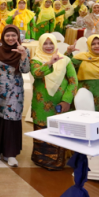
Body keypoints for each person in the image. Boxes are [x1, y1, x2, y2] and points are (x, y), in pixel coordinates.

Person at [30, 34, 77, 170]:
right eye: (45, 43)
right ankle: (40, 159)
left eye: (51, 43)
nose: (49, 46)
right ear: (40, 45)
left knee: (58, 132)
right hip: (41, 104)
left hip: (60, 104)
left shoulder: (66, 60)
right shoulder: (35, 60)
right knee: (41, 131)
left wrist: (66, 100)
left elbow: (73, 81)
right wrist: (50, 63)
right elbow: (37, 73)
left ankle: (56, 162)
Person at [0, 24, 30, 167]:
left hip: (14, 90)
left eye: (13, 35)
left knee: (11, 118)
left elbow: (25, 70)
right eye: (8, 35)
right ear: (3, 36)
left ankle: (10, 154)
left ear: (18, 36)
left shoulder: (24, 50)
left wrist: (23, 55)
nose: (10, 38)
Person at [70, 35, 99, 113]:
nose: (97, 46)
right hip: (82, 101)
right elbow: (65, 67)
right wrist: (68, 52)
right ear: (89, 45)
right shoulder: (80, 59)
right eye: (93, 44)